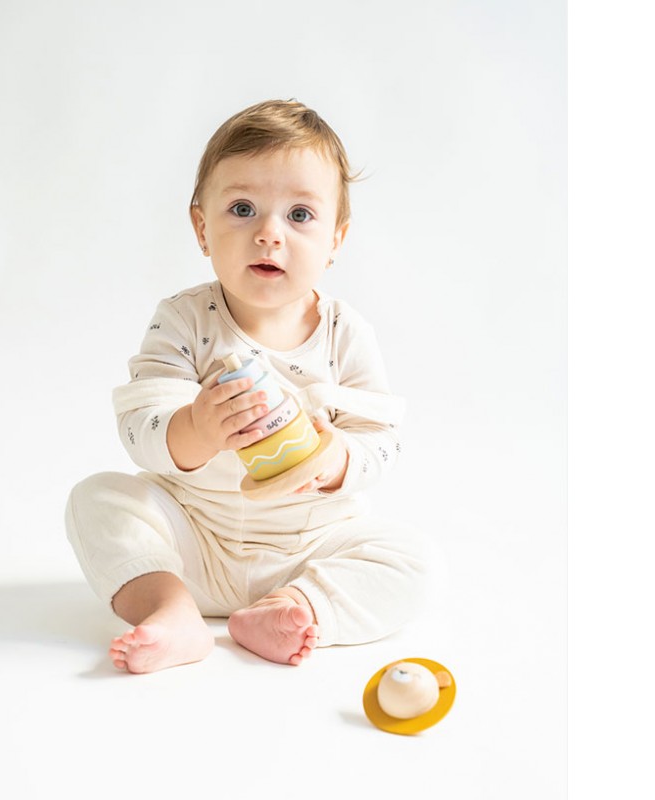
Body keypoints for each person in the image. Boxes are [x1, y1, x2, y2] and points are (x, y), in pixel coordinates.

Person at [65, 99, 432, 674]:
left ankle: (293, 609)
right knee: (98, 500)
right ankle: (171, 609)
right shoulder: (184, 320)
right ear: (202, 228)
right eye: (243, 209)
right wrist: (197, 427)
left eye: (300, 215)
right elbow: (139, 429)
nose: (268, 234)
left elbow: (381, 440)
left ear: (336, 239)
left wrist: (336, 458)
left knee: (411, 560)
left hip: (308, 547)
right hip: (194, 543)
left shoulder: (345, 333)